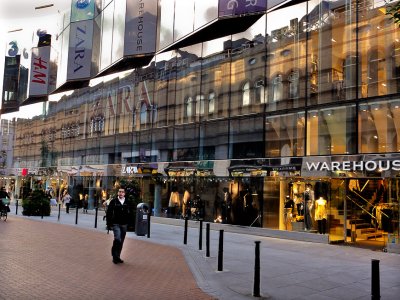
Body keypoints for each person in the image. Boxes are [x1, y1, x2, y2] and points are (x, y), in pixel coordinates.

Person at [106, 187, 131, 264]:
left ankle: (118, 256)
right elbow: (109, 213)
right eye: (119, 192)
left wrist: (130, 224)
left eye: (122, 192)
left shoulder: (127, 202)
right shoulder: (114, 201)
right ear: (118, 193)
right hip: (115, 223)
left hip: (124, 224)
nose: (120, 193)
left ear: (124, 193)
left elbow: (130, 214)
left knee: (121, 241)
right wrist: (109, 224)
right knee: (117, 239)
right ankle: (114, 256)